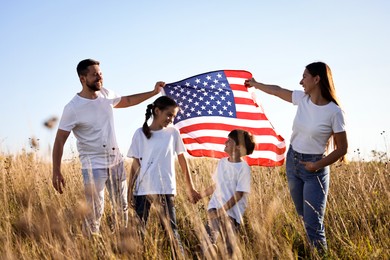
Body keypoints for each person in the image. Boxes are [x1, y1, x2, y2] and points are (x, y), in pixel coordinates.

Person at [52, 58, 165, 235]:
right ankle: (91, 245)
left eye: (101, 74)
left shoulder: (106, 95)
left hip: (115, 163)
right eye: (94, 75)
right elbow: (59, 140)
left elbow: (127, 100)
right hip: (93, 167)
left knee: (122, 207)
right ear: (83, 78)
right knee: (95, 211)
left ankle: (122, 244)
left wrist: (153, 92)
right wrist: (56, 171)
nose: (99, 78)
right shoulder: (73, 108)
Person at [245, 61, 348, 254]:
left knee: (313, 223)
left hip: (314, 170)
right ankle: (310, 252)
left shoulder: (334, 112)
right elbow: (277, 90)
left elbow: (342, 149)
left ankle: (320, 256)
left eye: (305, 77)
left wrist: (316, 165)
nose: (301, 81)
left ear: (317, 79)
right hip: (293, 163)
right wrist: (256, 84)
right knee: (303, 216)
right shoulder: (303, 99)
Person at [127, 95, 201, 257]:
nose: (171, 119)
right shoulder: (140, 134)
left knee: (171, 231)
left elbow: (182, 161)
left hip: (165, 189)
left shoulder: (173, 133)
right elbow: (135, 165)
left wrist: (190, 187)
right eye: (169, 115)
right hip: (143, 191)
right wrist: (129, 190)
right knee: (138, 232)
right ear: (157, 111)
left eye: (173, 116)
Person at [198, 129, 256, 257]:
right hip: (214, 207)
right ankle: (210, 250)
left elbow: (239, 194)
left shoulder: (243, 168)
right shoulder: (222, 162)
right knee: (209, 237)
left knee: (228, 249)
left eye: (229, 141)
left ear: (238, 147)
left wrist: (222, 211)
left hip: (231, 214)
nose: (225, 142)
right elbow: (216, 185)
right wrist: (199, 195)